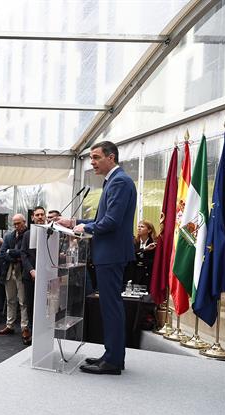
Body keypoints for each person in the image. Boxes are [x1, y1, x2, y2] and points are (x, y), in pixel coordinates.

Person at [57, 140, 137, 375]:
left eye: (95, 157)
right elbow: (105, 219)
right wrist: (73, 223)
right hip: (109, 253)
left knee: (111, 307)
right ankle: (111, 355)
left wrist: (84, 229)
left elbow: (110, 222)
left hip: (111, 254)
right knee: (110, 306)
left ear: (111, 158)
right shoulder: (114, 181)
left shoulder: (119, 181)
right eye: (91, 158)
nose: (91, 162)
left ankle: (112, 360)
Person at [0, 214, 29, 340]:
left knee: (23, 301)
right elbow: (2, 253)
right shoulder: (9, 236)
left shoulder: (28, 235)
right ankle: (10, 325)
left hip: (22, 272)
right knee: (10, 300)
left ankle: (24, 327)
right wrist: (14, 257)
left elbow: (23, 253)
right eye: (14, 223)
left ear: (24, 222)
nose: (16, 226)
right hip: (9, 271)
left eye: (18, 223)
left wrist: (13, 252)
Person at [19, 206, 46, 344]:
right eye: (37, 215)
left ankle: (42, 333)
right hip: (30, 276)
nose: (40, 217)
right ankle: (31, 331)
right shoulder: (27, 234)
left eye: (42, 214)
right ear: (33, 217)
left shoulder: (51, 232)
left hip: (47, 276)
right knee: (30, 305)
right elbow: (23, 254)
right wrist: (31, 270)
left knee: (44, 306)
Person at [126, 220, 156, 286]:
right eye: (138, 226)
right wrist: (144, 249)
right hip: (135, 275)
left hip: (148, 275)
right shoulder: (134, 242)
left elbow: (153, 260)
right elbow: (131, 254)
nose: (139, 228)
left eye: (142, 227)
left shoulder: (154, 243)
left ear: (149, 230)